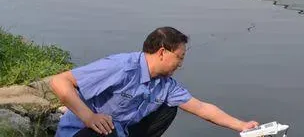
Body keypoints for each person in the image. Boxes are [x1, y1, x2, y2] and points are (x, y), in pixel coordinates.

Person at [49, 27, 259, 137]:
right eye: (179, 57)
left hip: (119, 131)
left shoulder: (165, 84)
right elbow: (60, 81)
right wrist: (89, 117)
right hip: (86, 132)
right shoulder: (122, 66)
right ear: (162, 52)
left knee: (170, 109)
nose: (180, 64)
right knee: (107, 128)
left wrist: (242, 126)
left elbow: (201, 107)